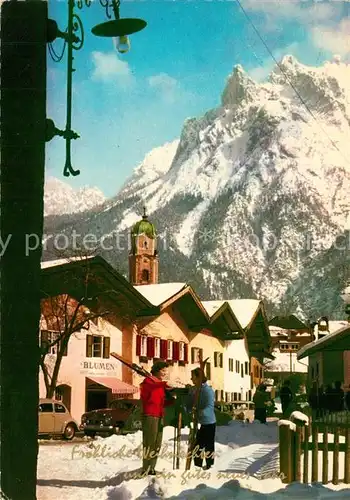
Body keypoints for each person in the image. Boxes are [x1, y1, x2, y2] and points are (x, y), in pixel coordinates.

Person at [139, 361, 175, 475]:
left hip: (159, 415)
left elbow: (161, 402)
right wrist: (164, 384)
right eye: (163, 370)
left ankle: (152, 467)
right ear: (156, 370)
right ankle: (146, 468)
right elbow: (150, 388)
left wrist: (172, 401)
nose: (165, 373)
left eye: (166, 370)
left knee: (157, 443)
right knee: (149, 442)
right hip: (150, 415)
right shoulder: (148, 381)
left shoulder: (159, 384)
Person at [187, 368, 216, 470]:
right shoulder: (195, 390)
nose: (191, 379)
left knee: (207, 445)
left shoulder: (208, 391)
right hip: (198, 422)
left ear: (198, 378)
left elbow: (209, 407)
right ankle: (197, 466)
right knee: (197, 446)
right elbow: (190, 404)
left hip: (208, 422)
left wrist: (199, 412)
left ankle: (209, 465)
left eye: (193, 377)